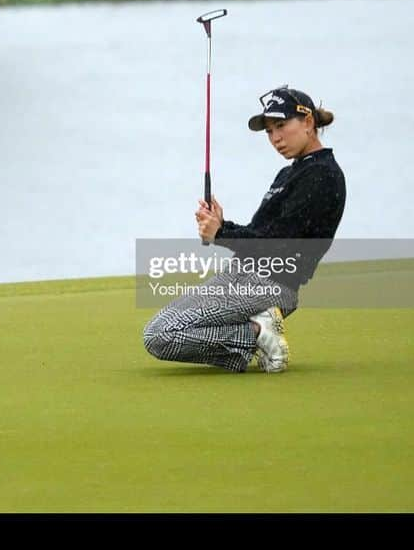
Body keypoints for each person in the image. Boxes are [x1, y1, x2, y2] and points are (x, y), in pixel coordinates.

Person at [142, 85, 346, 373]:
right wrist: (222, 225)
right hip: (242, 276)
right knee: (156, 329)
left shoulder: (323, 175)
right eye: (269, 131)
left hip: (272, 284)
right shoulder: (289, 173)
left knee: (161, 336)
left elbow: (280, 246)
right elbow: (260, 233)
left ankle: (256, 333)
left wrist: (222, 232)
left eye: (281, 125)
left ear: (308, 122)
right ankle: (258, 331)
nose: (275, 138)